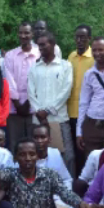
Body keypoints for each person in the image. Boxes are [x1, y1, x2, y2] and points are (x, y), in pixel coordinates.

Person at [28, 31, 75, 176]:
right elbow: (30, 92)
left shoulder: (65, 66)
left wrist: (47, 111)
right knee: (40, 157)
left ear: (53, 45)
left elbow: (66, 91)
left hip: (58, 119)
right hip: (39, 122)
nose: (41, 48)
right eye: (39, 45)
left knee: (67, 157)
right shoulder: (35, 67)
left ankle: (68, 190)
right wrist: (39, 112)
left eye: (44, 44)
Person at [31, 123, 83, 208]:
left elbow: (66, 179)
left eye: (43, 137)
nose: (39, 141)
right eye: (36, 137)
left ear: (49, 139)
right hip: (36, 204)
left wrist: (63, 196)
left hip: (59, 200)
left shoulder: (54, 153)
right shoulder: (26, 157)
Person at [4, 21, 40, 153]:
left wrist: (29, 103)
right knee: (15, 145)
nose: (23, 35)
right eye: (21, 32)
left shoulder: (39, 54)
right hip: (14, 109)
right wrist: (18, 104)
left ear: (32, 34)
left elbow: (40, 82)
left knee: (34, 146)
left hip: (35, 108)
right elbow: (9, 81)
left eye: (27, 32)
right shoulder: (10, 55)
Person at [66, 25, 94, 171]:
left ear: (89, 38)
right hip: (70, 111)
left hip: (87, 112)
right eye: (77, 37)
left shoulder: (94, 57)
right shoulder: (71, 56)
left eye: (83, 37)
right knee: (73, 151)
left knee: (85, 150)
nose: (79, 40)